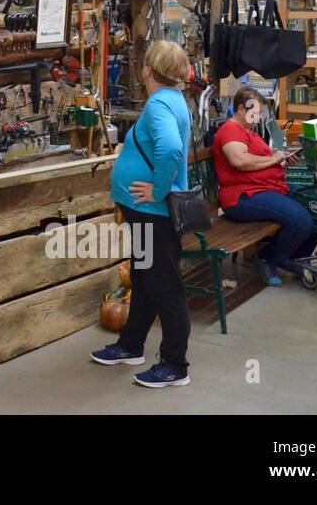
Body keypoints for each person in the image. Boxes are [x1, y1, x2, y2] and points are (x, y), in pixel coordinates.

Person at [91, 40, 193, 388]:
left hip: (154, 212)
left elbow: (171, 149)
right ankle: (131, 344)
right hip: (147, 212)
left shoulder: (160, 104)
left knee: (166, 287)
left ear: (148, 69)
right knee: (146, 278)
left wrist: (157, 190)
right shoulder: (173, 100)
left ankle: (175, 366)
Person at [212, 87, 317, 286]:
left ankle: (292, 257)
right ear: (241, 110)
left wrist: (282, 161)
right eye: (256, 113)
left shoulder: (248, 132)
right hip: (242, 196)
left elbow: (261, 161)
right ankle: (268, 258)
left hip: (264, 187)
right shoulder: (230, 130)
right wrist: (274, 159)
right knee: (300, 219)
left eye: (261, 113)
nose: (259, 118)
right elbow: (240, 161)